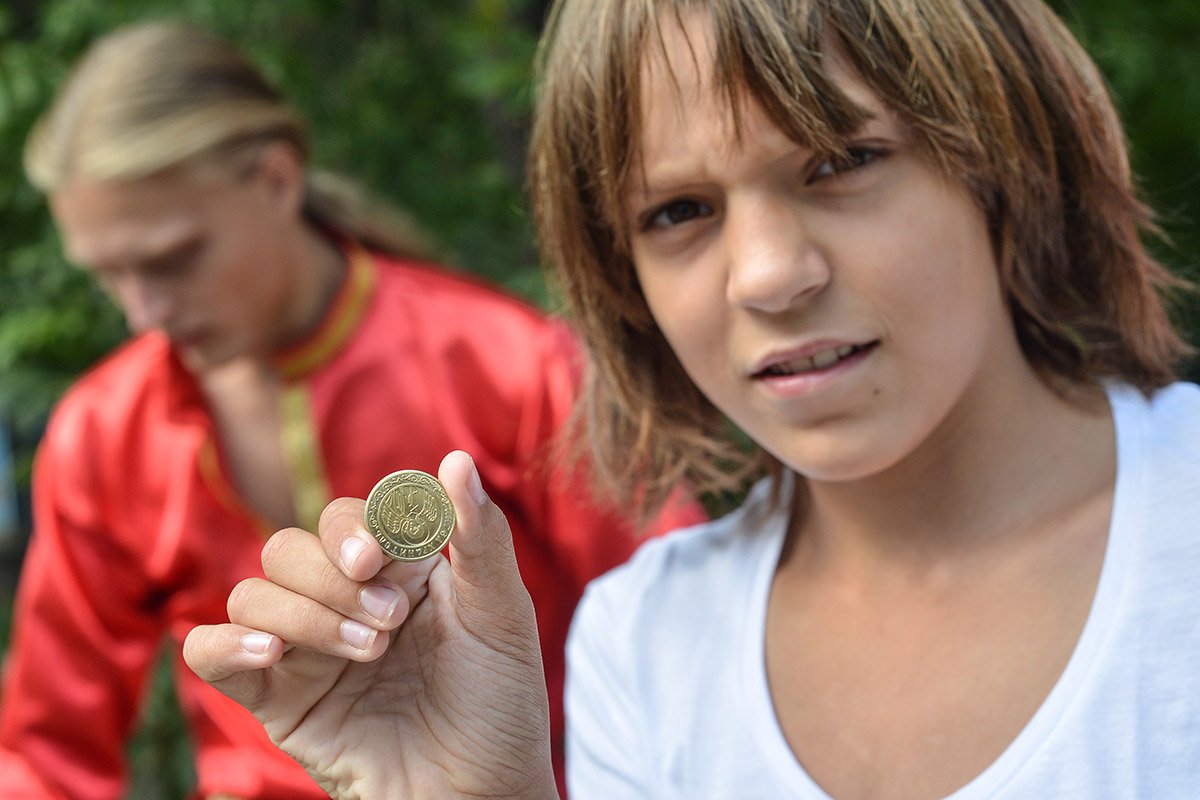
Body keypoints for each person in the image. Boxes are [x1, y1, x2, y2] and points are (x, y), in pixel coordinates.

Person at [183, 0, 1200, 798]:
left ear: (1006, 160)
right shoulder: (643, 640)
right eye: (678, 211)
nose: (765, 273)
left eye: (843, 162)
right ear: (619, 274)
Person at [0, 19, 705, 800]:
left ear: (276, 179)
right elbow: (47, 748)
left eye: (173, 259)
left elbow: (680, 632)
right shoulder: (104, 433)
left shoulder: (504, 364)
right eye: (110, 277)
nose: (143, 312)